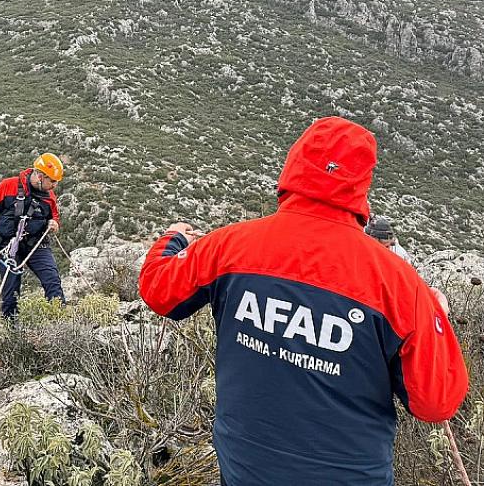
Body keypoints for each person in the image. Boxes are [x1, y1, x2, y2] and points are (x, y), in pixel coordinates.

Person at [138, 117, 467, 486]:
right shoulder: (398, 284)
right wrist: (435, 314)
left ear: (294, 165)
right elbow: (436, 402)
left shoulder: (228, 246)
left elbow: (158, 290)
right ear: (361, 185)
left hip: (244, 469)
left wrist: (173, 238)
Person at [0, 153, 65, 319]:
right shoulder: (7, 186)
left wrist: (54, 224)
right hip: (8, 247)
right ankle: (12, 334)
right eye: (52, 181)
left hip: (37, 245)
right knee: (11, 291)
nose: (55, 185)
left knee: (53, 283)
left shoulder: (49, 197)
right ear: (39, 176)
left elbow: (54, 216)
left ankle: (61, 327)